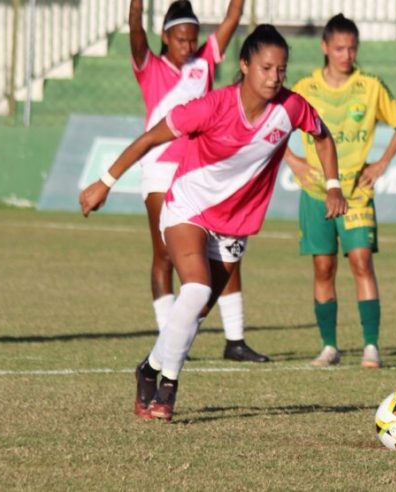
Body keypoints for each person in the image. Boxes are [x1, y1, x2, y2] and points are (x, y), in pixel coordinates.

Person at [80, 25, 348, 421]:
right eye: (266, 68)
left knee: (196, 311)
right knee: (196, 289)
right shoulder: (210, 107)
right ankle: (167, 389)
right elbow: (150, 139)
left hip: (234, 225)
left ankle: (149, 368)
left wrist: (333, 186)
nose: (275, 77)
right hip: (186, 208)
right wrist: (105, 182)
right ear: (244, 65)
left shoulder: (290, 108)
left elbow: (322, 137)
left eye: (282, 70)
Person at [129, 0, 269, 362]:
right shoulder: (150, 67)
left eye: (192, 39)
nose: (188, 46)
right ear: (166, 37)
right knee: (165, 255)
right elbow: (135, 32)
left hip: (201, 171)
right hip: (160, 169)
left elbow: (233, 17)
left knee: (223, 252)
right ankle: (169, 338)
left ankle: (235, 340)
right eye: (180, 39)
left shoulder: (203, 64)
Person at [284, 14, 396, 369]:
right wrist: (291, 159)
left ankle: (371, 345)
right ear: (325, 47)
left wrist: (382, 162)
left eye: (352, 48)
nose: (346, 54)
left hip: (355, 191)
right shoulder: (305, 88)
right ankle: (329, 346)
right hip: (315, 192)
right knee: (323, 267)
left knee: (361, 260)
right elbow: (272, 125)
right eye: (339, 47)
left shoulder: (370, 86)